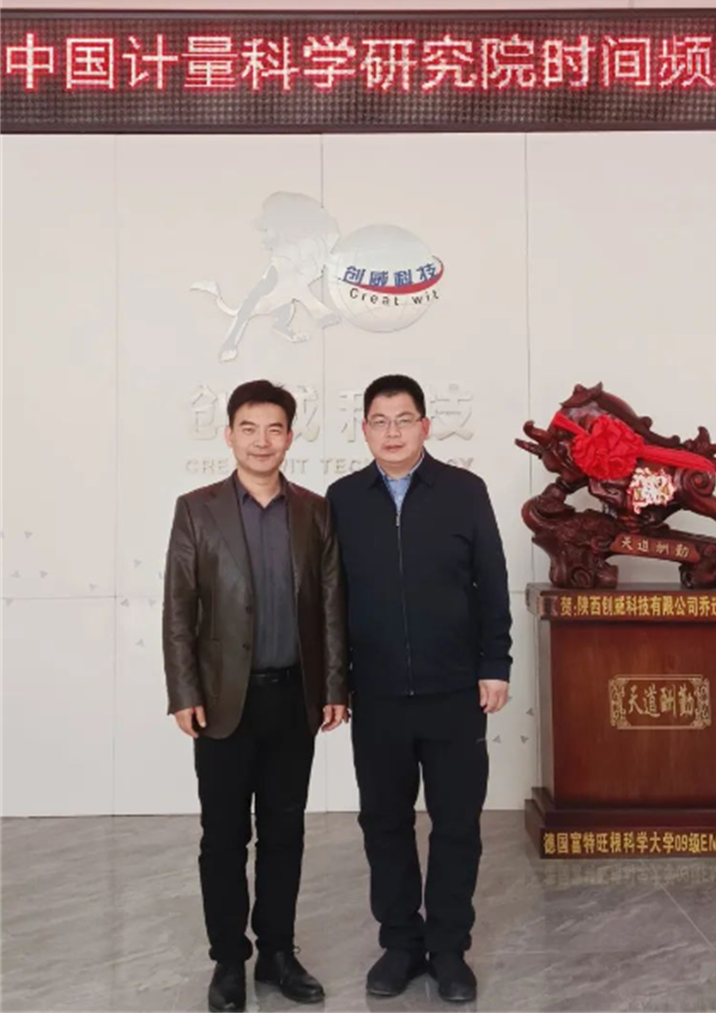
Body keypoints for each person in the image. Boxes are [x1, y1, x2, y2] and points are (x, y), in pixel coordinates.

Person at [163, 379, 348, 1013]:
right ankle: (227, 961)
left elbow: (330, 605)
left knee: (284, 833)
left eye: (274, 429)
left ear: (290, 437)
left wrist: (334, 685)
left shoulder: (314, 511)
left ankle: (277, 953)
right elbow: (179, 608)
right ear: (229, 435)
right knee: (222, 838)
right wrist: (183, 691)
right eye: (249, 428)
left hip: (293, 698)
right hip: (221, 702)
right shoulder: (197, 509)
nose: (262, 441)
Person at [327, 373, 512, 1004]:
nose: (392, 432)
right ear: (364, 430)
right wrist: (337, 682)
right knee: (384, 822)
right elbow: (331, 600)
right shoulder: (343, 499)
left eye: (404, 419)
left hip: (455, 691)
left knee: (457, 823)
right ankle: (401, 944)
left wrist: (495, 664)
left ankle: (449, 949)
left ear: (426, 426)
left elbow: (492, 581)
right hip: (376, 694)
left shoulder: (464, 492)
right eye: (379, 421)